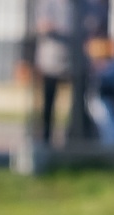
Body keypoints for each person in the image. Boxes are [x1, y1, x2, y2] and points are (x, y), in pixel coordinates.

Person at [33, 0, 73, 145]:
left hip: (72, 62)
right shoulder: (48, 4)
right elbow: (42, 25)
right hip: (50, 62)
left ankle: (74, 136)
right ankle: (46, 137)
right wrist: (60, 29)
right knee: (48, 102)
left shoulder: (77, 5)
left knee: (78, 102)